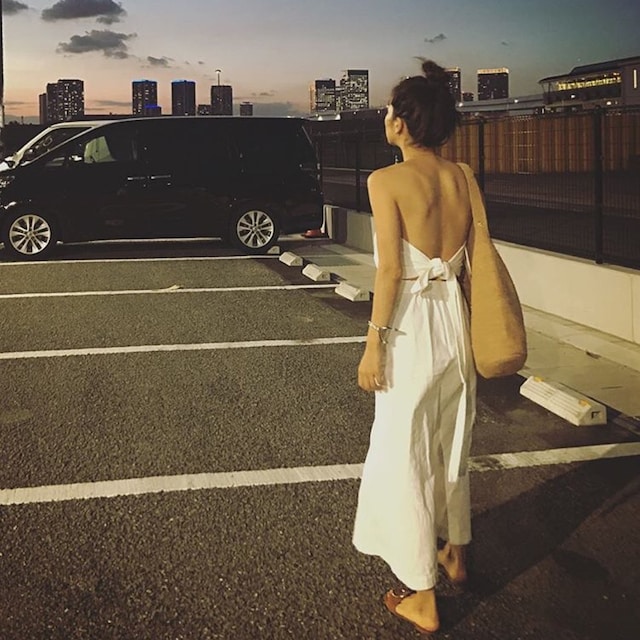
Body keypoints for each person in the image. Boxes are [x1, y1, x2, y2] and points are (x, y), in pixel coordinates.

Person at [352, 59, 477, 635]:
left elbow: (389, 273)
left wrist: (374, 344)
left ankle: (422, 592)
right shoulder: (462, 177)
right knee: (450, 442)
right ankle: (455, 551)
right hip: (455, 317)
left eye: (388, 111)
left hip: (412, 323)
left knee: (405, 450)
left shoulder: (386, 181)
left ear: (402, 123)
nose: (385, 118)